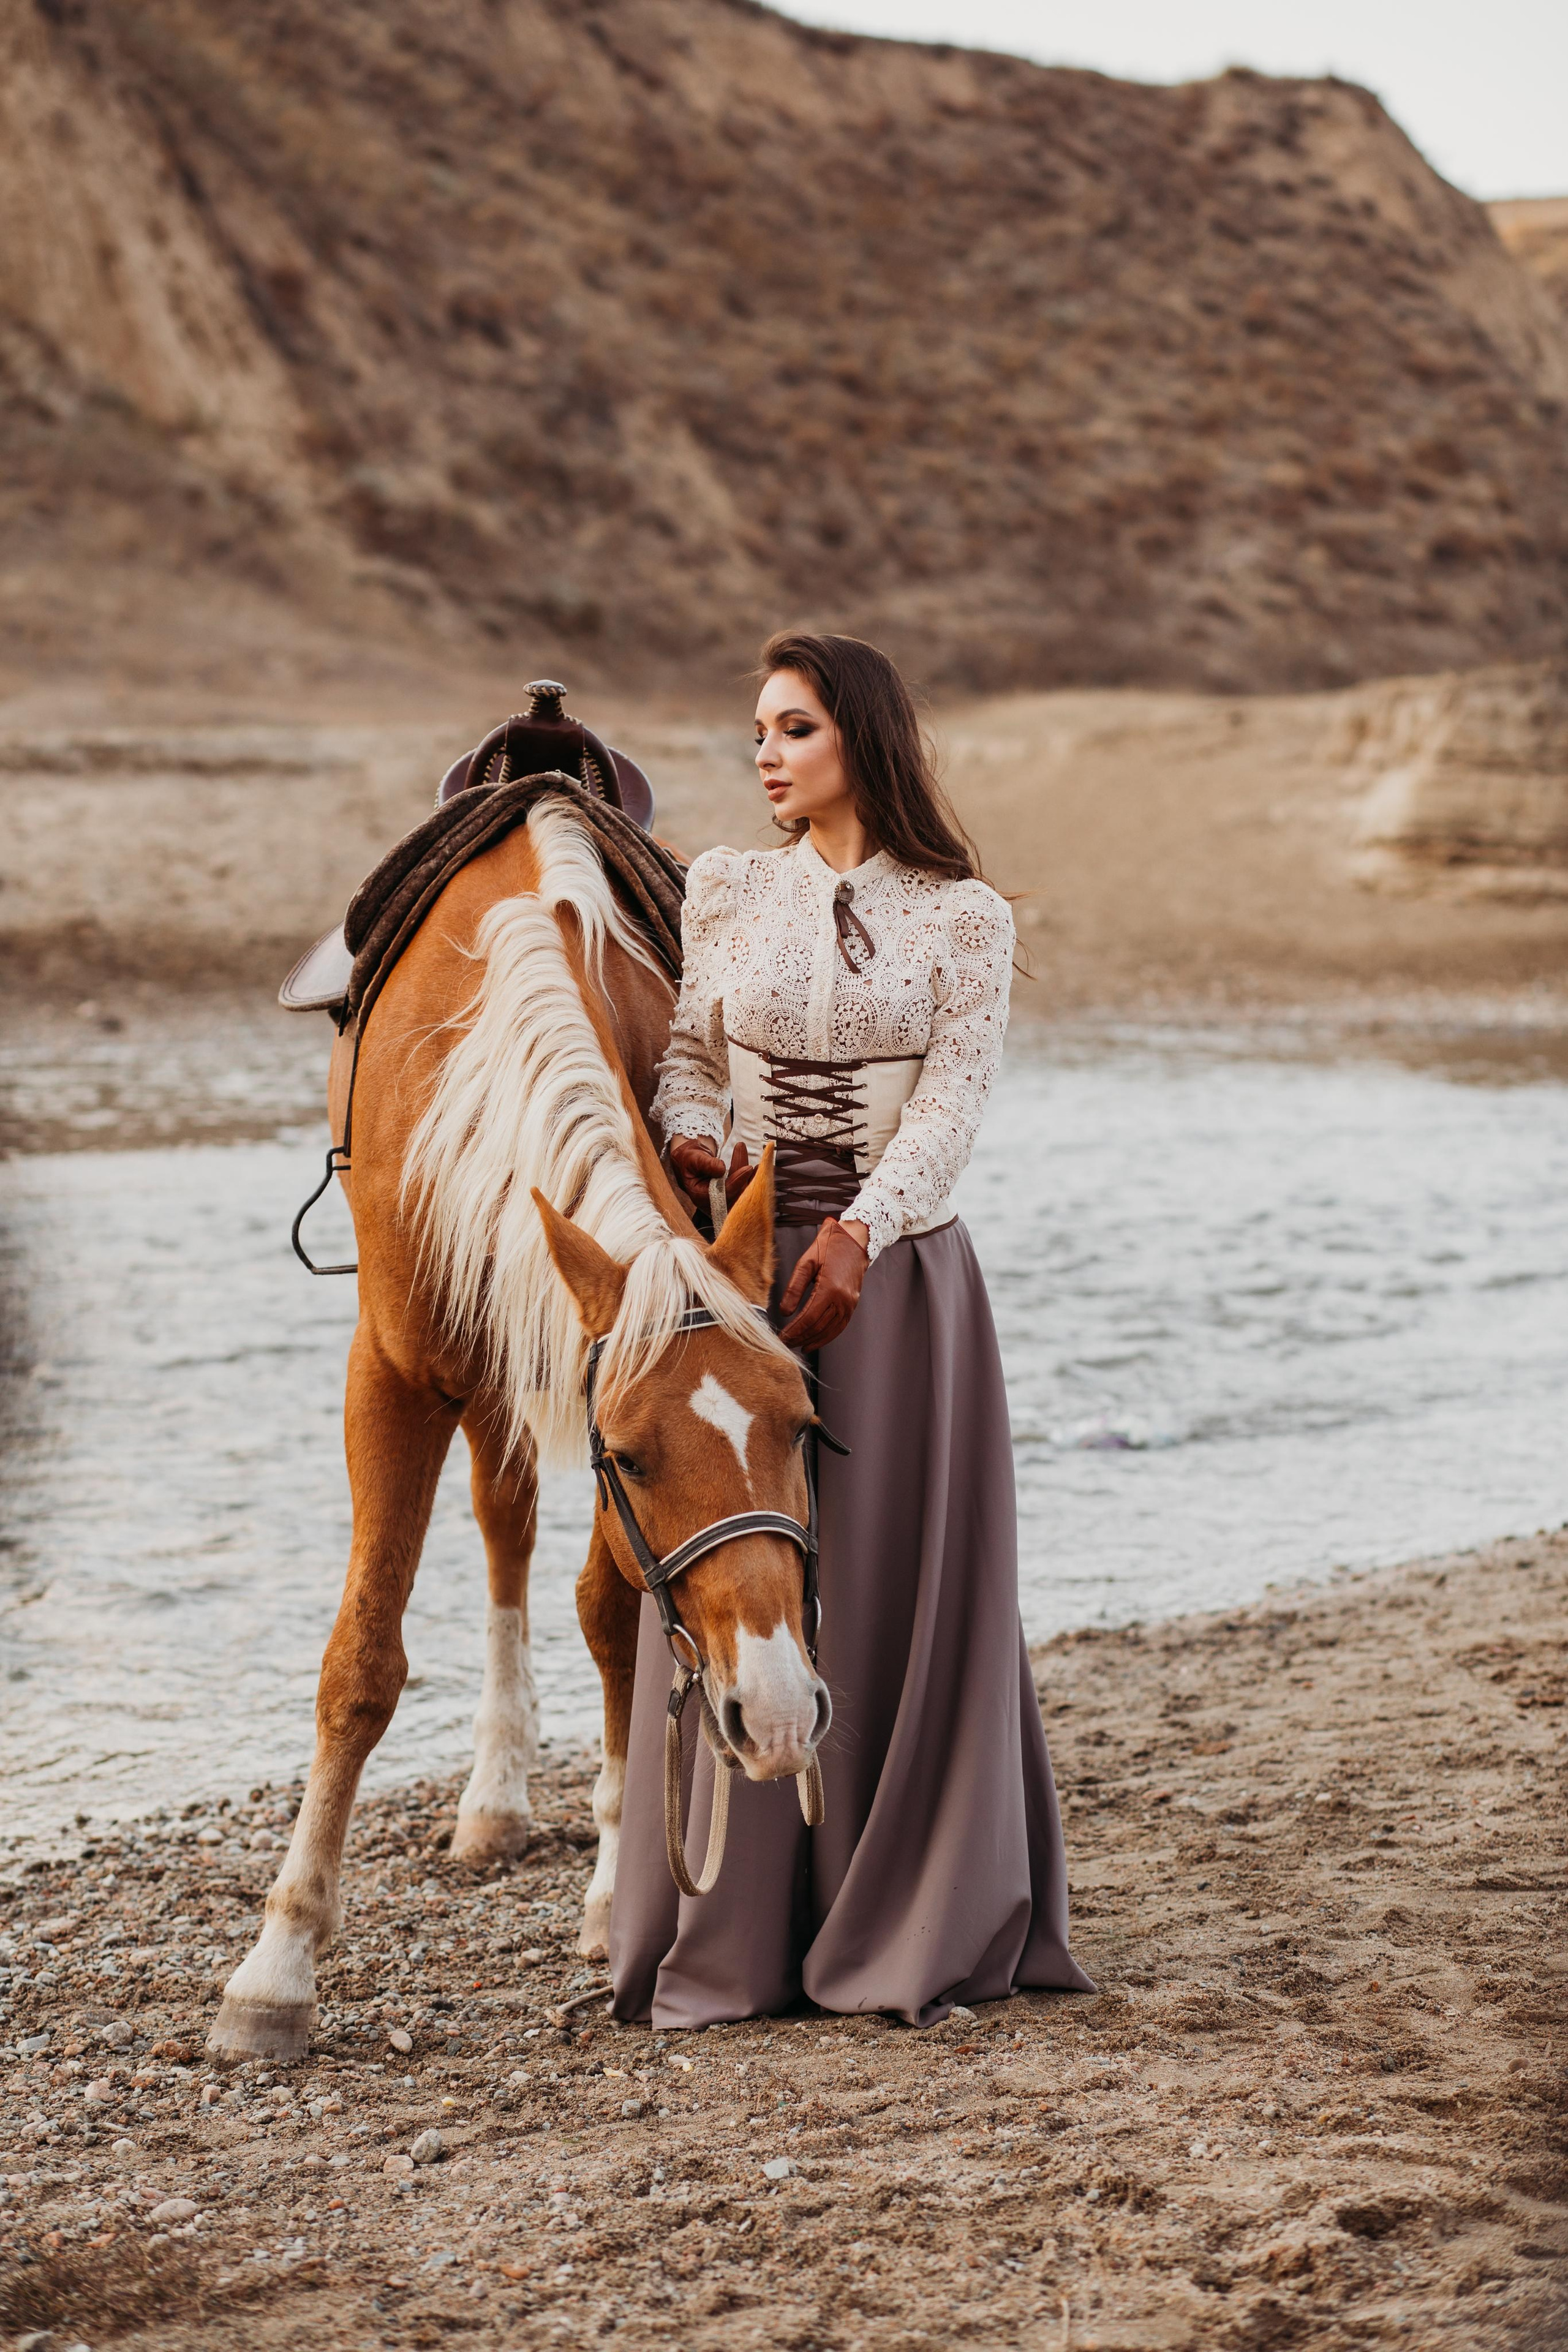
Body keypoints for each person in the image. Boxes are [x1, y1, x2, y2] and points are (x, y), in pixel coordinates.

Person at [608, 630, 1092, 2027]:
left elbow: (949, 1106)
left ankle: (895, 1921)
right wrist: (701, 1146)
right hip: (740, 1264)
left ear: (860, 741)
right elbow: (689, 1053)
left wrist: (862, 1233)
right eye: (758, 728)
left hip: (895, 1278)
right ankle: (734, 1934)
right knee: (731, 1568)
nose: (763, 752)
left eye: (793, 728)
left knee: (884, 1590)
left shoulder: (962, 917)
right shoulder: (726, 884)